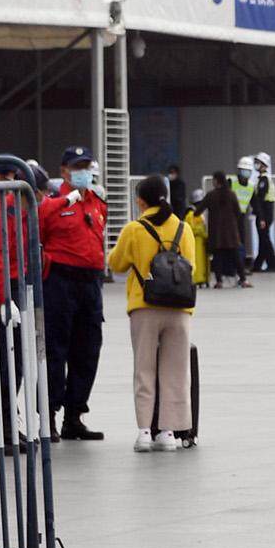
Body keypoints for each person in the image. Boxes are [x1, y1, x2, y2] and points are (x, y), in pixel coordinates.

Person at [104, 175, 199, 452]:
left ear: (140, 200)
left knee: (144, 368)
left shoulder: (135, 229)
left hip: (144, 306)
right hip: (180, 308)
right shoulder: (183, 228)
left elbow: (117, 263)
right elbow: (190, 265)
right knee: (176, 371)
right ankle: (168, 432)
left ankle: (145, 431)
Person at [35, 146, 108, 440]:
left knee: (88, 350)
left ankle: (74, 416)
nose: (84, 171)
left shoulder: (97, 202)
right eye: (78, 166)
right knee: (56, 351)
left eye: (87, 166)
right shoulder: (53, 202)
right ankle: (49, 416)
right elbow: (37, 236)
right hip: (60, 282)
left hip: (90, 283)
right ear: (64, 170)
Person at [199, 172, 249, 288]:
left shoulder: (211, 195)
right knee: (236, 256)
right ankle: (243, 279)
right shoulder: (231, 194)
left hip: (216, 233)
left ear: (217, 181)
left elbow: (199, 210)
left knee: (218, 257)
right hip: (231, 233)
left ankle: (219, 281)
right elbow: (238, 212)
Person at [248, 154, 275, 273]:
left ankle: (272, 264)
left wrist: (261, 218)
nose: (256, 164)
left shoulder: (264, 180)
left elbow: (260, 200)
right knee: (263, 239)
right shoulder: (262, 179)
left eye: (258, 162)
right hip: (265, 213)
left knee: (265, 239)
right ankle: (258, 265)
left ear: (264, 165)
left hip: (264, 213)